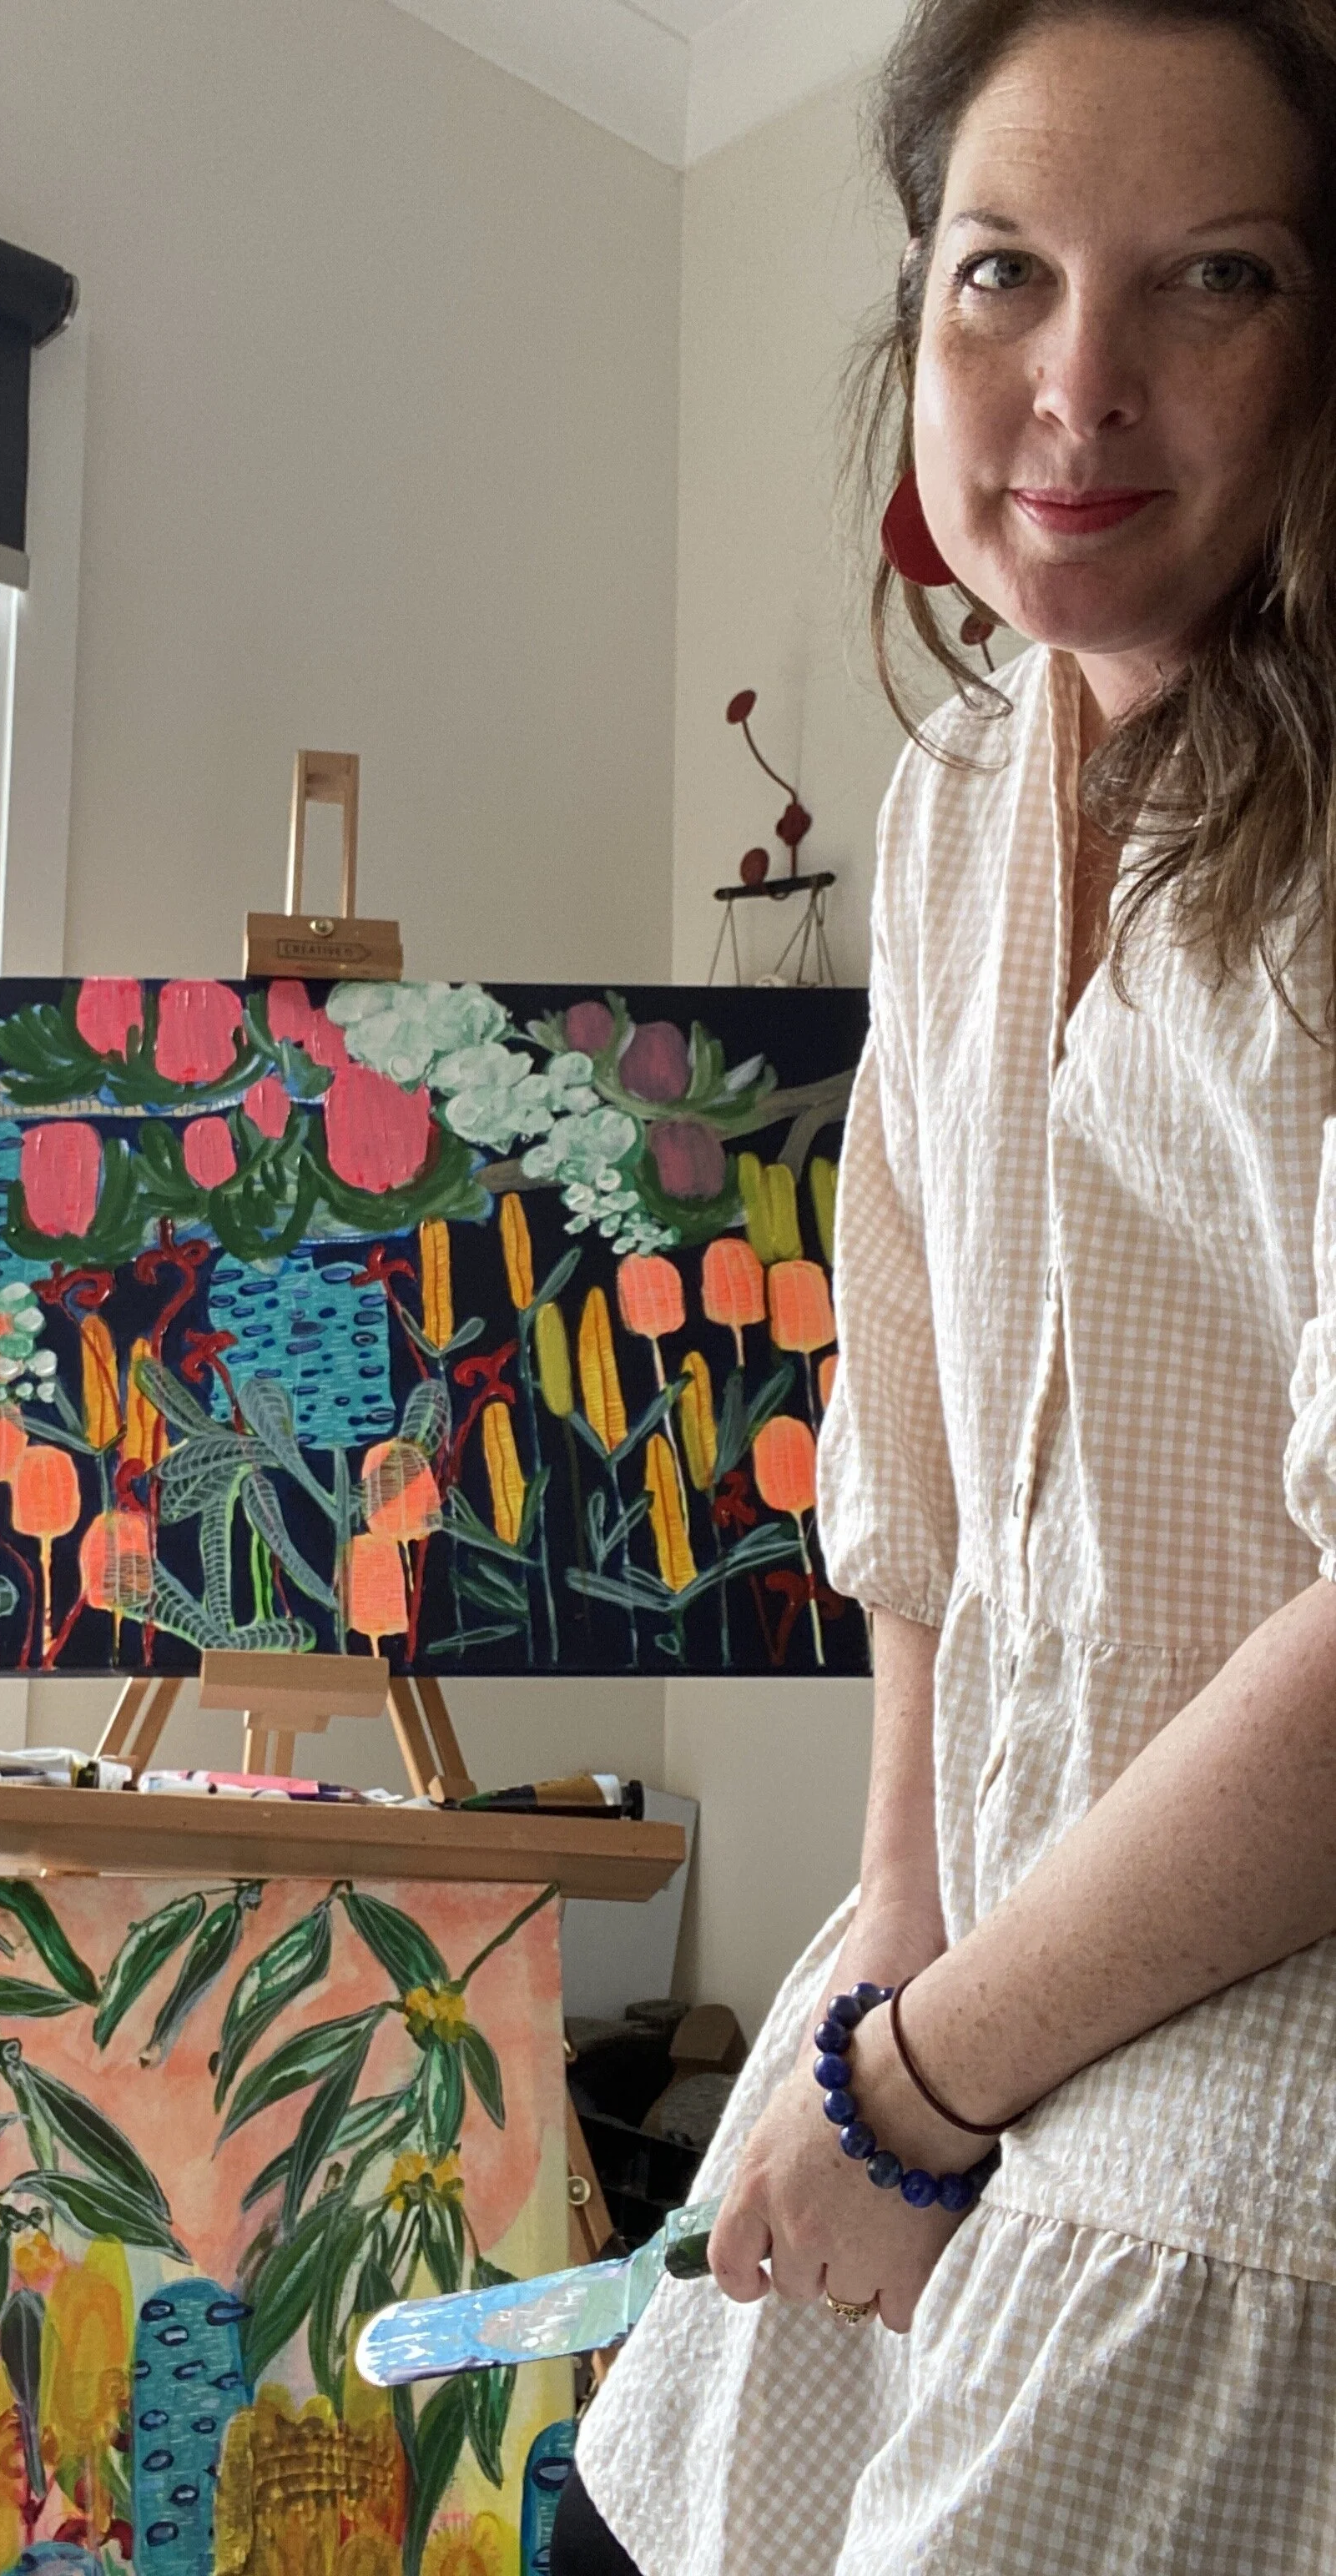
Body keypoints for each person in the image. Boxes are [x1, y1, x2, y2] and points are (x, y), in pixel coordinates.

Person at [558, 3, 1336, 2568]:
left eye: (1209, 276)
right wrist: (889, 1972)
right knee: (633, 2480)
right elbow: (904, 1444)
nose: (1072, 390)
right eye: (1002, 274)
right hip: (978, 1932)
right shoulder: (955, 791)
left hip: (1264, 2016)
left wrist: (922, 2086)